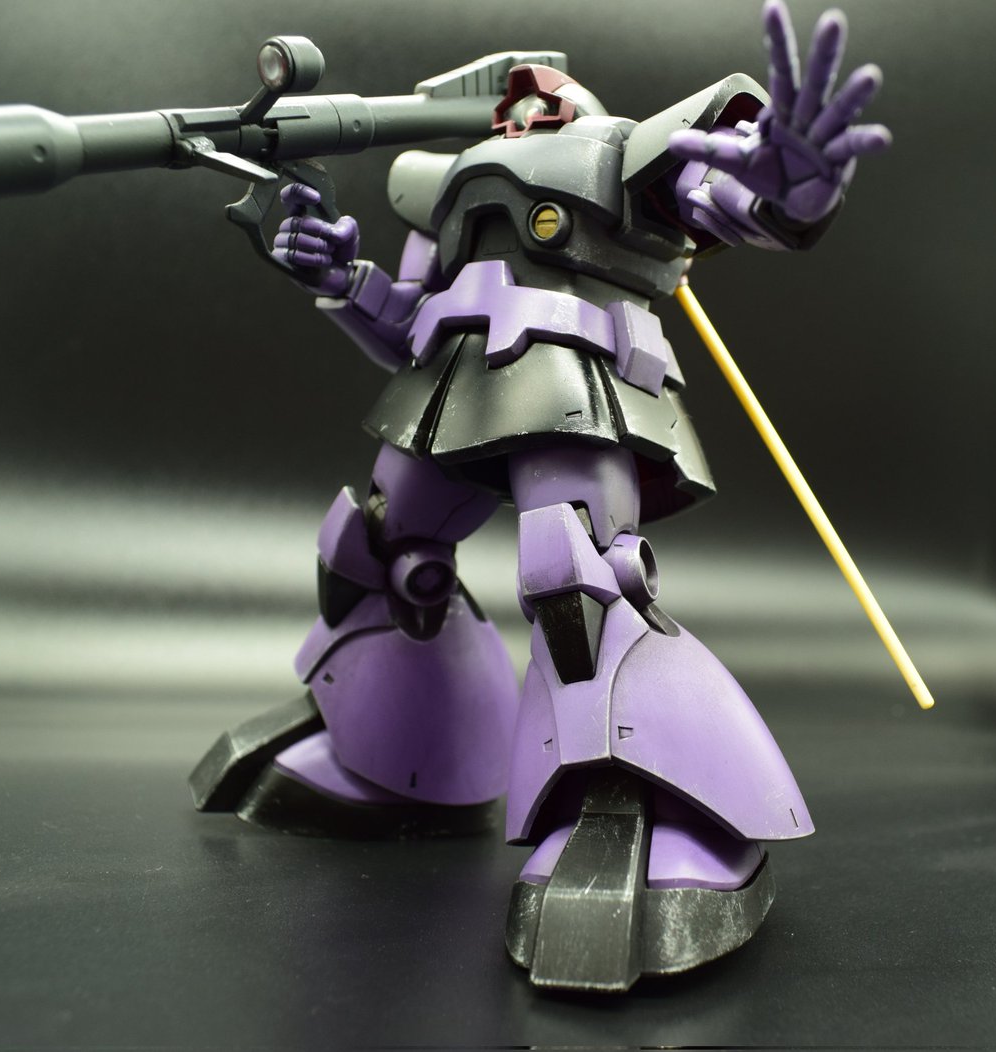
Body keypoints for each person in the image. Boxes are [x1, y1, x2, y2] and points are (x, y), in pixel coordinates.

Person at [191, 0, 890, 991]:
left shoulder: (618, 160)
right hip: (450, 397)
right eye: (510, 105)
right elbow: (418, 323)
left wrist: (786, 186)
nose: (523, 108)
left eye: (542, 100)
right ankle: (393, 757)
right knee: (386, 549)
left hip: (574, 394)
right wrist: (345, 281)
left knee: (577, 578)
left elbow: (715, 187)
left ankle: (642, 809)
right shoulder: (449, 191)